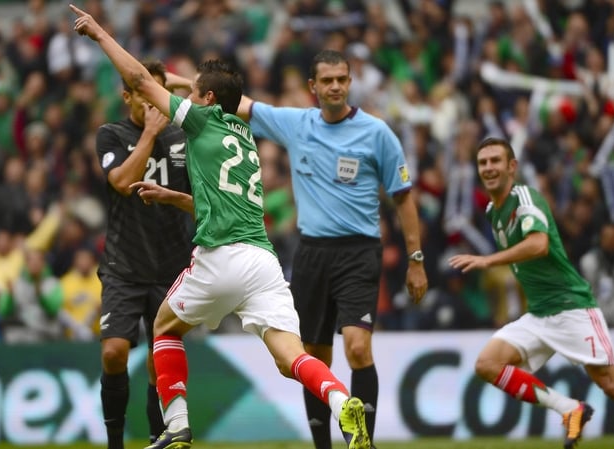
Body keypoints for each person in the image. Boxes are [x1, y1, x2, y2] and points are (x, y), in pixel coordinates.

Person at [70, 5, 371, 449]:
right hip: (262, 262)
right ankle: (341, 400)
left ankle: (176, 425)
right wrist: (174, 197)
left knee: (164, 328)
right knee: (290, 357)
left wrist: (99, 33)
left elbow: (140, 80)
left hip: (221, 257)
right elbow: (220, 200)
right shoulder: (244, 138)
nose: (186, 98)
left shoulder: (201, 121)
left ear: (208, 100)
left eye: (193, 93)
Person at [448, 137, 614, 449]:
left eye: (495, 161)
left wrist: (488, 260)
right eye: (483, 162)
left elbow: (539, 244)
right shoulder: (492, 211)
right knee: (487, 363)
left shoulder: (525, 198)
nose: (488, 168)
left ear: (512, 167)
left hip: (571, 307)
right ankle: (569, 408)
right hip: (539, 313)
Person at [236, 49, 429, 449]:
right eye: (328, 80)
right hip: (312, 253)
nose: (336, 86)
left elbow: (403, 198)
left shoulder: (377, 133)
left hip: (359, 252)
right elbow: (241, 104)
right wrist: (189, 87)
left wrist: (416, 259)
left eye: (342, 79)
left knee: (357, 347)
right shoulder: (296, 124)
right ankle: (322, 444)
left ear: (350, 82)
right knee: (314, 355)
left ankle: (364, 444)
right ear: (313, 86)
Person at [95, 58, 193, 448]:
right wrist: (151, 133)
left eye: (159, 92)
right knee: (114, 353)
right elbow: (121, 182)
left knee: (159, 360)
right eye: (143, 92)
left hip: (170, 266)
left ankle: (158, 437)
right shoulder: (111, 134)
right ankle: (115, 442)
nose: (152, 101)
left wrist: (176, 85)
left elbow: (207, 91)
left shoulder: (183, 137)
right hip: (123, 264)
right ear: (127, 96)